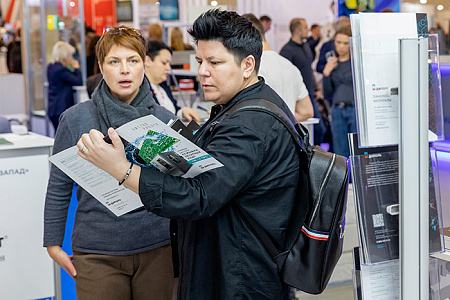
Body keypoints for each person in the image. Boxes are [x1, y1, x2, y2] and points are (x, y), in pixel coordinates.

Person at [77, 9, 301, 300]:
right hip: (231, 266)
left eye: (215, 62)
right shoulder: (239, 107)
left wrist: (123, 170)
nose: (202, 71)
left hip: (240, 279)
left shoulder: (251, 124)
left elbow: (200, 196)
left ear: (247, 65)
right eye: (200, 61)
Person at [44, 26, 178, 299]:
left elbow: (177, 186)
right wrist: (53, 243)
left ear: (144, 65)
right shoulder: (75, 119)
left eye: (133, 61)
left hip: (158, 248)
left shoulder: (164, 120)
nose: (124, 70)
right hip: (97, 251)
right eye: (114, 62)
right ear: (101, 69)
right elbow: (59, 185)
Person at [242, 13, 313, 122]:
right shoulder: (291, 67)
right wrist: (283, 122)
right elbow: (307, 111)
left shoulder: (250, 69)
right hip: (287, 136)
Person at [280, 18, 325, 145]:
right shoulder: (287, 51)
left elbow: (309, 69)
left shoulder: (305, 46)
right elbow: (285, 77)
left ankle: (316, 158)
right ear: (298, 30)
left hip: (310, 95)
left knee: (320, 129)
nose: (308, 30)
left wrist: (316, 89)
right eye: (306, 27)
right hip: (297, 99)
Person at [145, 40, 200, 121]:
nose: (168, 68)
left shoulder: (164, 86)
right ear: (148, 61)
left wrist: (182, 112)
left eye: (169, 64)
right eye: (164, 63)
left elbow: (173, 110)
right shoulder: (141, 90)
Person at [322, 26, 355, 158]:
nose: (341, 46)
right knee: (340, 152)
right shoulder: (332, 64)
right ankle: (344, 179)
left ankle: (356, 178)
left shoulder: (356, 63)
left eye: (345, 43)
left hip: (354, 110)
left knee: (356, 151)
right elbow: (327, 93)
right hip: (337, 110)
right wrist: (326, 73)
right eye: (338, 42)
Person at [47, 41, 82, 131]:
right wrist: (77, 69)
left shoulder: (51, 67)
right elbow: (78, 81)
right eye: (70, 55)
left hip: (54, 108)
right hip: (61, 109)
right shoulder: (61, 70)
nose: (71, 58)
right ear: (65, 56)